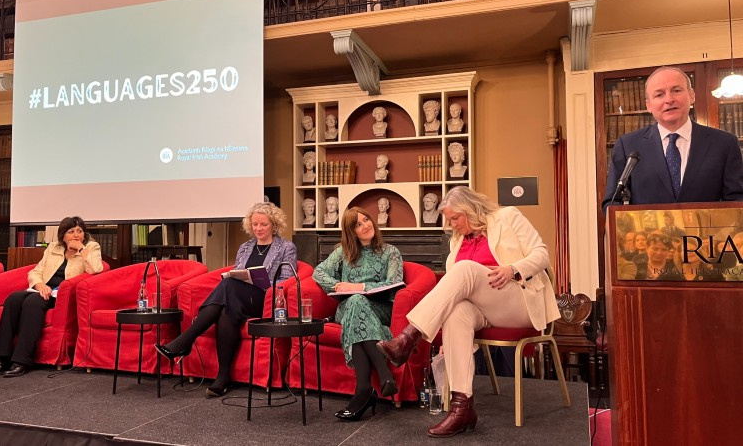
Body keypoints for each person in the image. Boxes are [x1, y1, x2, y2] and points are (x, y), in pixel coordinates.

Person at [377, 186, 559, 437]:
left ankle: (409, 337)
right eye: (449, 220)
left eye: (455, 218)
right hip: (485, 307)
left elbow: (542, 254)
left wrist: (512, 269)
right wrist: (449, 337)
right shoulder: (458, 239)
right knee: (457, 312)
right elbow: (454, 291)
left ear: (470, 210)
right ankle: (462, 408)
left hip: (518, 298)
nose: (452, 224)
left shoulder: (508, 217)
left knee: (463, 269)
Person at [156, 203, 297, 396]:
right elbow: (237, 273)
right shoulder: (246, 247)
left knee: (228, 286)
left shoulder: (286, 247)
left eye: (263, 224)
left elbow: (287, 278)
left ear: (273, 224)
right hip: (239, 299)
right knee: (225, 312)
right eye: (255, 224)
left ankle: (185, 341)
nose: (258, 229)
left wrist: (263, 282)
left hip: (265, 299)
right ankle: (222, 378)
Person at [602, 66, 743, 210]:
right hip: (647, 232)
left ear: (692, 95)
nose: (669, 100)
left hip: (707, 232)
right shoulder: (628, 146)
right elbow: (612, 203)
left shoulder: (724, 143)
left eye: (676, 91)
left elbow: (737, 199)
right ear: (649, 105)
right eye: (659, 95)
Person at [312, 207, 403, 421]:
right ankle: (383, 374)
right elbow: (318, 272)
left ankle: (363, 390)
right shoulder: (343, 252)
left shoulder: (390, 251)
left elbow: (394, 283)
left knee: (357, 299)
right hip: (348, 308)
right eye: (358, 225)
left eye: (366, 220)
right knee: (355, 301)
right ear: (350, 231)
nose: (365, 226)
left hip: (380, 308)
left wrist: (360, 286)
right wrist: (338, 285)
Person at [0, 216, 102, 377]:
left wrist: (81, 249)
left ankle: (21, 360)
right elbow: (36, 271)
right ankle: (1, 357)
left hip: (63, 294)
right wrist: (40, 285)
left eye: (79, 231)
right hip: (43, 289)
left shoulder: (91, 247)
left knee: (33, 302)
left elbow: (97, 269)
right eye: (71, 232)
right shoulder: (53, 247)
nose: (76, 235)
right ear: (63, 235)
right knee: (13, 299)